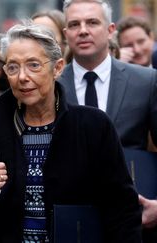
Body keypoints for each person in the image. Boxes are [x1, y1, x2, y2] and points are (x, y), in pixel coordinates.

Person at [0, 22, 142, 243]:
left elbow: (122, 206)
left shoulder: (92, 126)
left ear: (57, 68)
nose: (22, 77)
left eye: (33, 65)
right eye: (13, 67)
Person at [59, 0, 157, 241]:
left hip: (132, 219)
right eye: (74, 24)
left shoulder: (146, 81)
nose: (83, 30)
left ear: (111, 30)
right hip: (68, 220)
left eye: (92, 22)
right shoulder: (50, 86)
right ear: (65, 34)